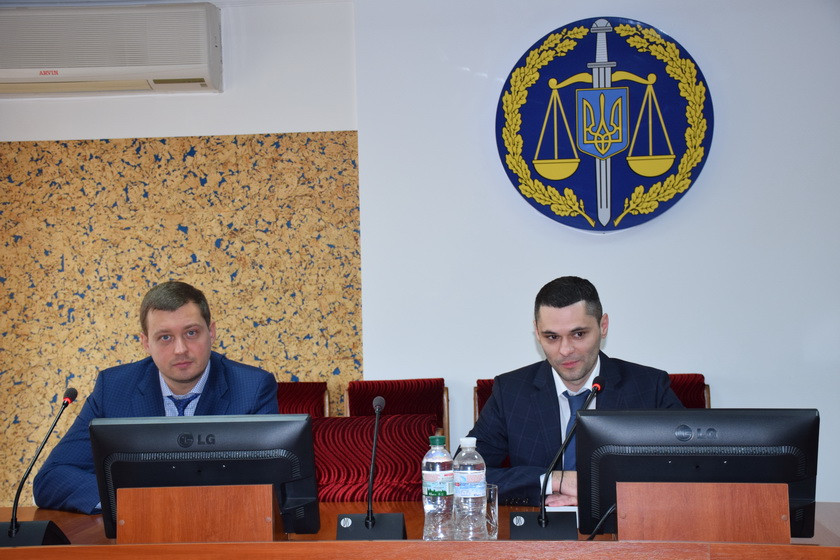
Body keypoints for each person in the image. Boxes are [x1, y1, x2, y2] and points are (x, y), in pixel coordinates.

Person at [33, 281, 279, 513]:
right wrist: (134, 502)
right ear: (145, 343)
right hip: (139, 532)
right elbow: (51, 478)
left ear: (211, 333)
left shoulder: (252, 388)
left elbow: (275, 485)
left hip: (222, 531)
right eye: (165, 338)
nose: (180, 349)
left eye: (191, 333)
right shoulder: (114, 389)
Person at [467, 276, 683, 507]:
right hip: (540, 524)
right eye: (552, 337)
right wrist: (554, 480)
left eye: (578, 334)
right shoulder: (511, 391)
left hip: (622, 520)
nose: (565, 350)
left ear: (603, 326)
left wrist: (603, 489)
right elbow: (466, 473)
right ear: (537, 332)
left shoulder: (649, 387)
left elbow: (685, 468)